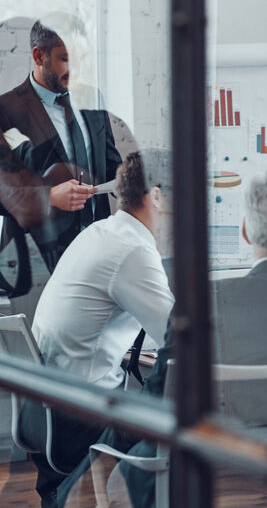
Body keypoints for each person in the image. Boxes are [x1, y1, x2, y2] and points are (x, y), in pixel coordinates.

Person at [52, 166, 267, 508]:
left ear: (246, 231)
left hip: (193, 483)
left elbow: (158, 399)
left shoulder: (201, 307)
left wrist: (81, 479)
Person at [23, 150, 174, 507]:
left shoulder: (101, 232)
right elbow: (179, 336)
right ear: (156, 196)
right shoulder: (132, 249)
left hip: (48, 407)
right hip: (79, 417)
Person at [0, 19, 122, 297]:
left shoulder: (93, 99)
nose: (77, 69)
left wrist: (138, 180)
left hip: (99, 262)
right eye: (66, 59)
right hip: (39, 273)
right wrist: (49, 196)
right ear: (38, 56)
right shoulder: (3, 111)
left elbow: (112, 169)